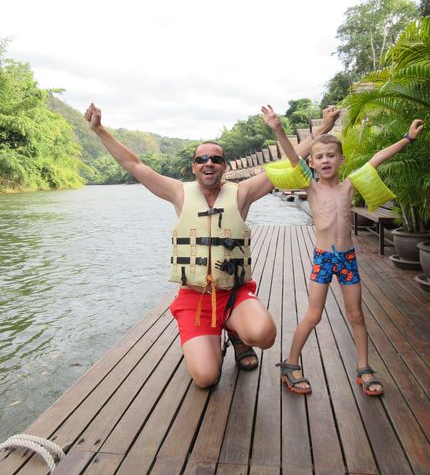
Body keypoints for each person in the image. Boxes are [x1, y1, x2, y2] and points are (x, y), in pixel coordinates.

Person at [84, 103, 339, 388]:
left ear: (224, 167)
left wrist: (322, 130)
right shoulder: (178, 193)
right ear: (194, 167)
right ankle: (215, 335)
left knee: (264, 334)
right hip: (195, 298)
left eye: (216, 159)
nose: (209, 163)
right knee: (205, 378)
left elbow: (285, 163)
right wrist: (99, 130)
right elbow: (134, 165)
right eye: (202, 159)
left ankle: (237, 332)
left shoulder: (242, 193)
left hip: (233, 294)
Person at [261, 105, 424, 396]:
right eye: (320, 157)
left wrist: (407, 139)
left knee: (356, 315)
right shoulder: (310, 187)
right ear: (312, 163)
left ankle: (364, 367)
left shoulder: (349, 186)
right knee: (313, 315)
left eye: (331, 155)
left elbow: (377, 158)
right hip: (323, 259)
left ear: (341, 159)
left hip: (347, 259)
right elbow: (291, 156)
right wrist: (278, 129)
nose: (325, 160)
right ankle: (290, 363)